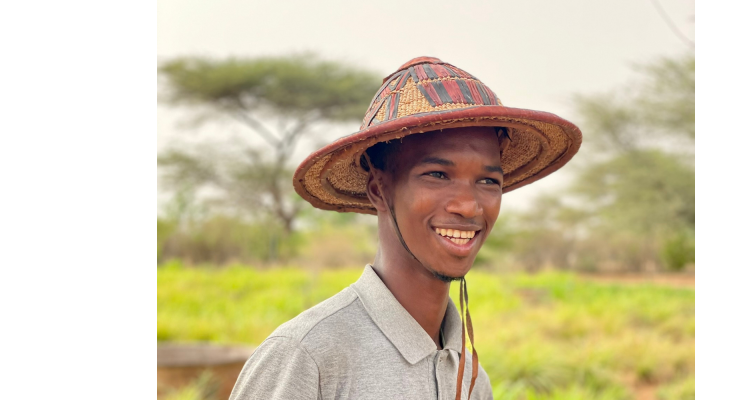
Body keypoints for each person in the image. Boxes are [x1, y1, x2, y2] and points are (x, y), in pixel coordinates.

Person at [228, 56, 582, 400]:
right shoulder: (307, 358)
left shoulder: (469, 379)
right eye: (438, 175)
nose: (469, 205)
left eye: (488, 181)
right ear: (379, 190)